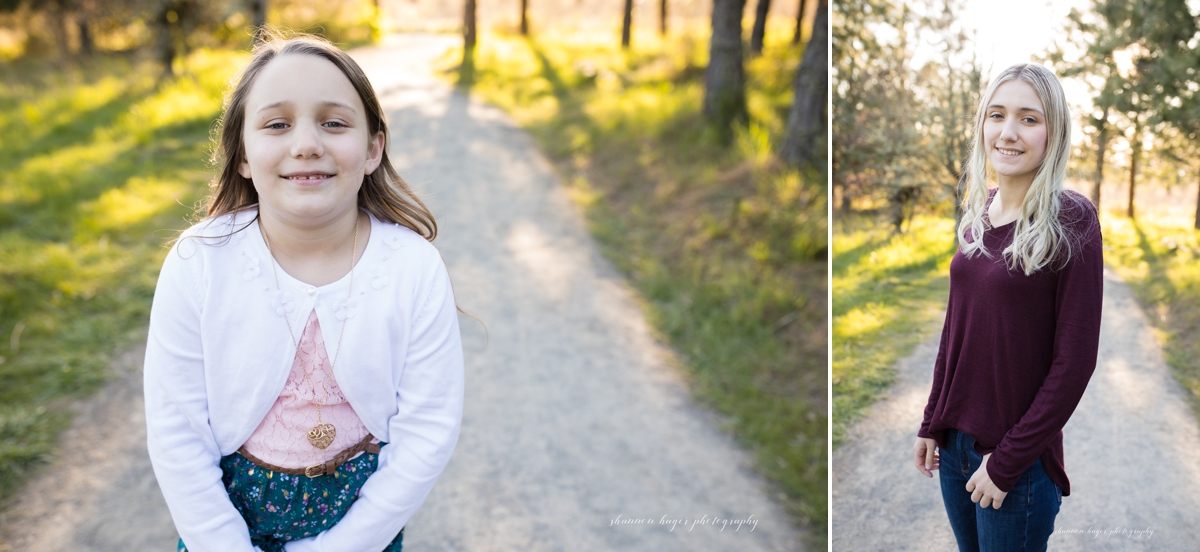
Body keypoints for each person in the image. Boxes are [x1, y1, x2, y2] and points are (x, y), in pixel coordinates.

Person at [143, 31, 464, 552]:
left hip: (361, 533)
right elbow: (176, 431)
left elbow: (427, 432)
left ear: (372, 149)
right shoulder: (198, 262)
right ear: (242, 153)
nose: (307, 143)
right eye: (277, 124)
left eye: (335, 123)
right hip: (223, 533)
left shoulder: (413, 268)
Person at [911, 63, 1103, 552]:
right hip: (954, 447)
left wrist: (1006, 461)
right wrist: (933, 419)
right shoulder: (980, 209)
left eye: (1029, 119)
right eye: (997, 115)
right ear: (982, 124)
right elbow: (956, 330)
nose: (1009, 132)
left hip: (1014, 462)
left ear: (1053, 132)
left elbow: (1075, 361)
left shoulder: (1072, 218)